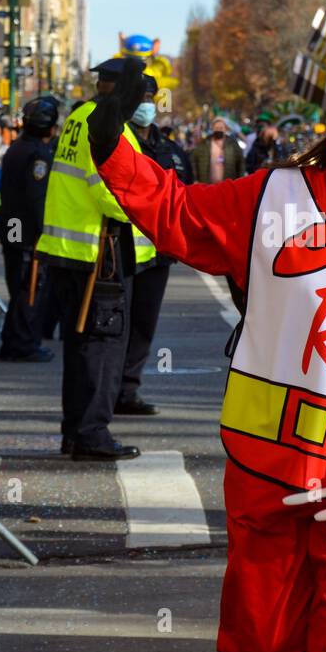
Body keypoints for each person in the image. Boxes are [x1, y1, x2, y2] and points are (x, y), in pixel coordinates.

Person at [88, 56, 326, 652]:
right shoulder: (276, 193)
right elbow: (181, 214)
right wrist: (114, 149)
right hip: (270, 460)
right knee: (259, 642)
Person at [35, 60, 148, 461]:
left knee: (81, 347)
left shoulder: (78, 117)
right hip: (100, 252)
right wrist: (144, 210)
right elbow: (112, 188)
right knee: (102, 347)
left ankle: (75, 431)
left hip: (71, 251)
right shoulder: (106, 124)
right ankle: (91, 433)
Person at [117, 75, 191, 414]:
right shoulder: (119, 141)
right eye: (139, 97)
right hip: (120, 248)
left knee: (144, 322)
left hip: (158, 251)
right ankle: (110, 389)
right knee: (119, 322)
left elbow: (189, 194)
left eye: (149, 97)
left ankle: (128, 390)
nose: (145, 104)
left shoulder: (170, 149)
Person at [0, 96, 58, 363]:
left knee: (19, 284)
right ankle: (22, 343)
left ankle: (14, 340)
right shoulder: (38, 155)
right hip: (25, 230)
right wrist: (44, 231)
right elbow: (37, 198)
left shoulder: (16, 148)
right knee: (28, 287)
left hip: (12, 225)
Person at [191, 116, 245, 183]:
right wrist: (195, 179)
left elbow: (241, 163)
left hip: (227, 185)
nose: (218, 130)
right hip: (206, 186)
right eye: (216, 128)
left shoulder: (233, 144)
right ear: (212, 129)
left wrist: (240, 181)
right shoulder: (204, 144)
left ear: (226, 129)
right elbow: (194, 160)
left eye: (221, 128)